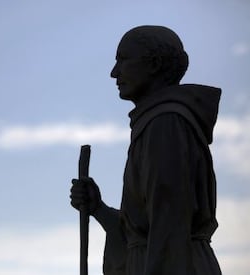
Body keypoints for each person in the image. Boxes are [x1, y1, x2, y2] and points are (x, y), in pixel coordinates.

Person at [70, 25, 222, 275]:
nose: (114, 72)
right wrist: (99, 209)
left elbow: (170, 226)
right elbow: (146, 232)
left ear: (153, 64)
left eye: (123, 60)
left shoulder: (165, 124)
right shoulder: (156, 123)